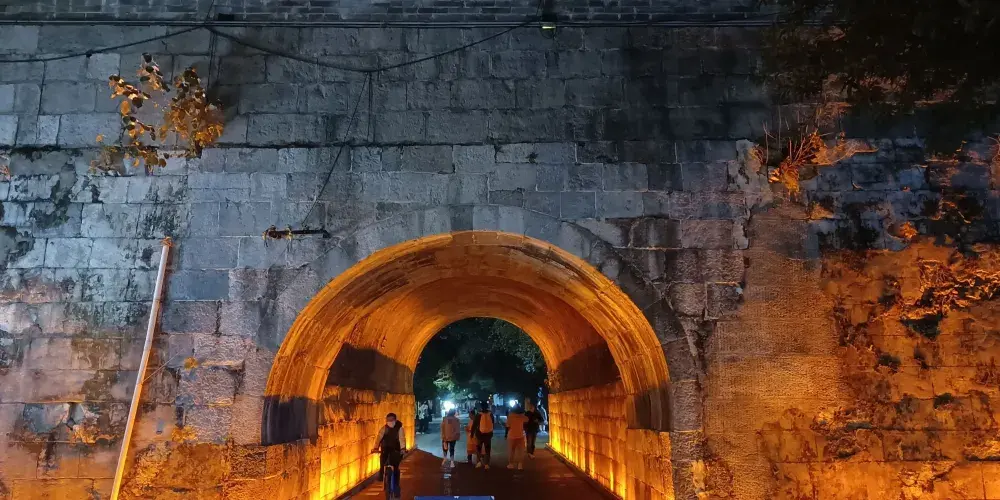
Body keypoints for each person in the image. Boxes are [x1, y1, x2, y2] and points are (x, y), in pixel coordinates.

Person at [371, 412, 407, 498]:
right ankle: (381, 475)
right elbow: (378, 438)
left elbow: (402, 439)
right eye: (388, 420)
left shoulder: (399, 429)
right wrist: (376, 447)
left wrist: (403, 449)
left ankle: (396, 487)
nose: (390, 422)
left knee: (396, 468)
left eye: (391, 420)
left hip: (396, 451)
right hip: (385, 450)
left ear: (395, 420)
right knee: (382, 461)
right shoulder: (384, 429)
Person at [504, 406, 529, 470]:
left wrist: (505, 435)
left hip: (511, 435)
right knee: (520, 451)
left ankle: (511, 464)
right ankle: (520, 465)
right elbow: (527, 419)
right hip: (520, 435)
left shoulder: (510, 417)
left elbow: (507, 426)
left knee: (511, 450)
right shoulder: (522, 417)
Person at [472, 401, 495, 470]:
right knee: (487, 449)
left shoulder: (478, 414)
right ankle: (487, 464)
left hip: (479, 434)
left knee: (478, 448)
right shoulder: (490, 414)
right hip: (488, 435)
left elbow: (474, 424)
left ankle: (479, 462)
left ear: (481, 407)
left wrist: (472, 433)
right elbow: (493, 423)